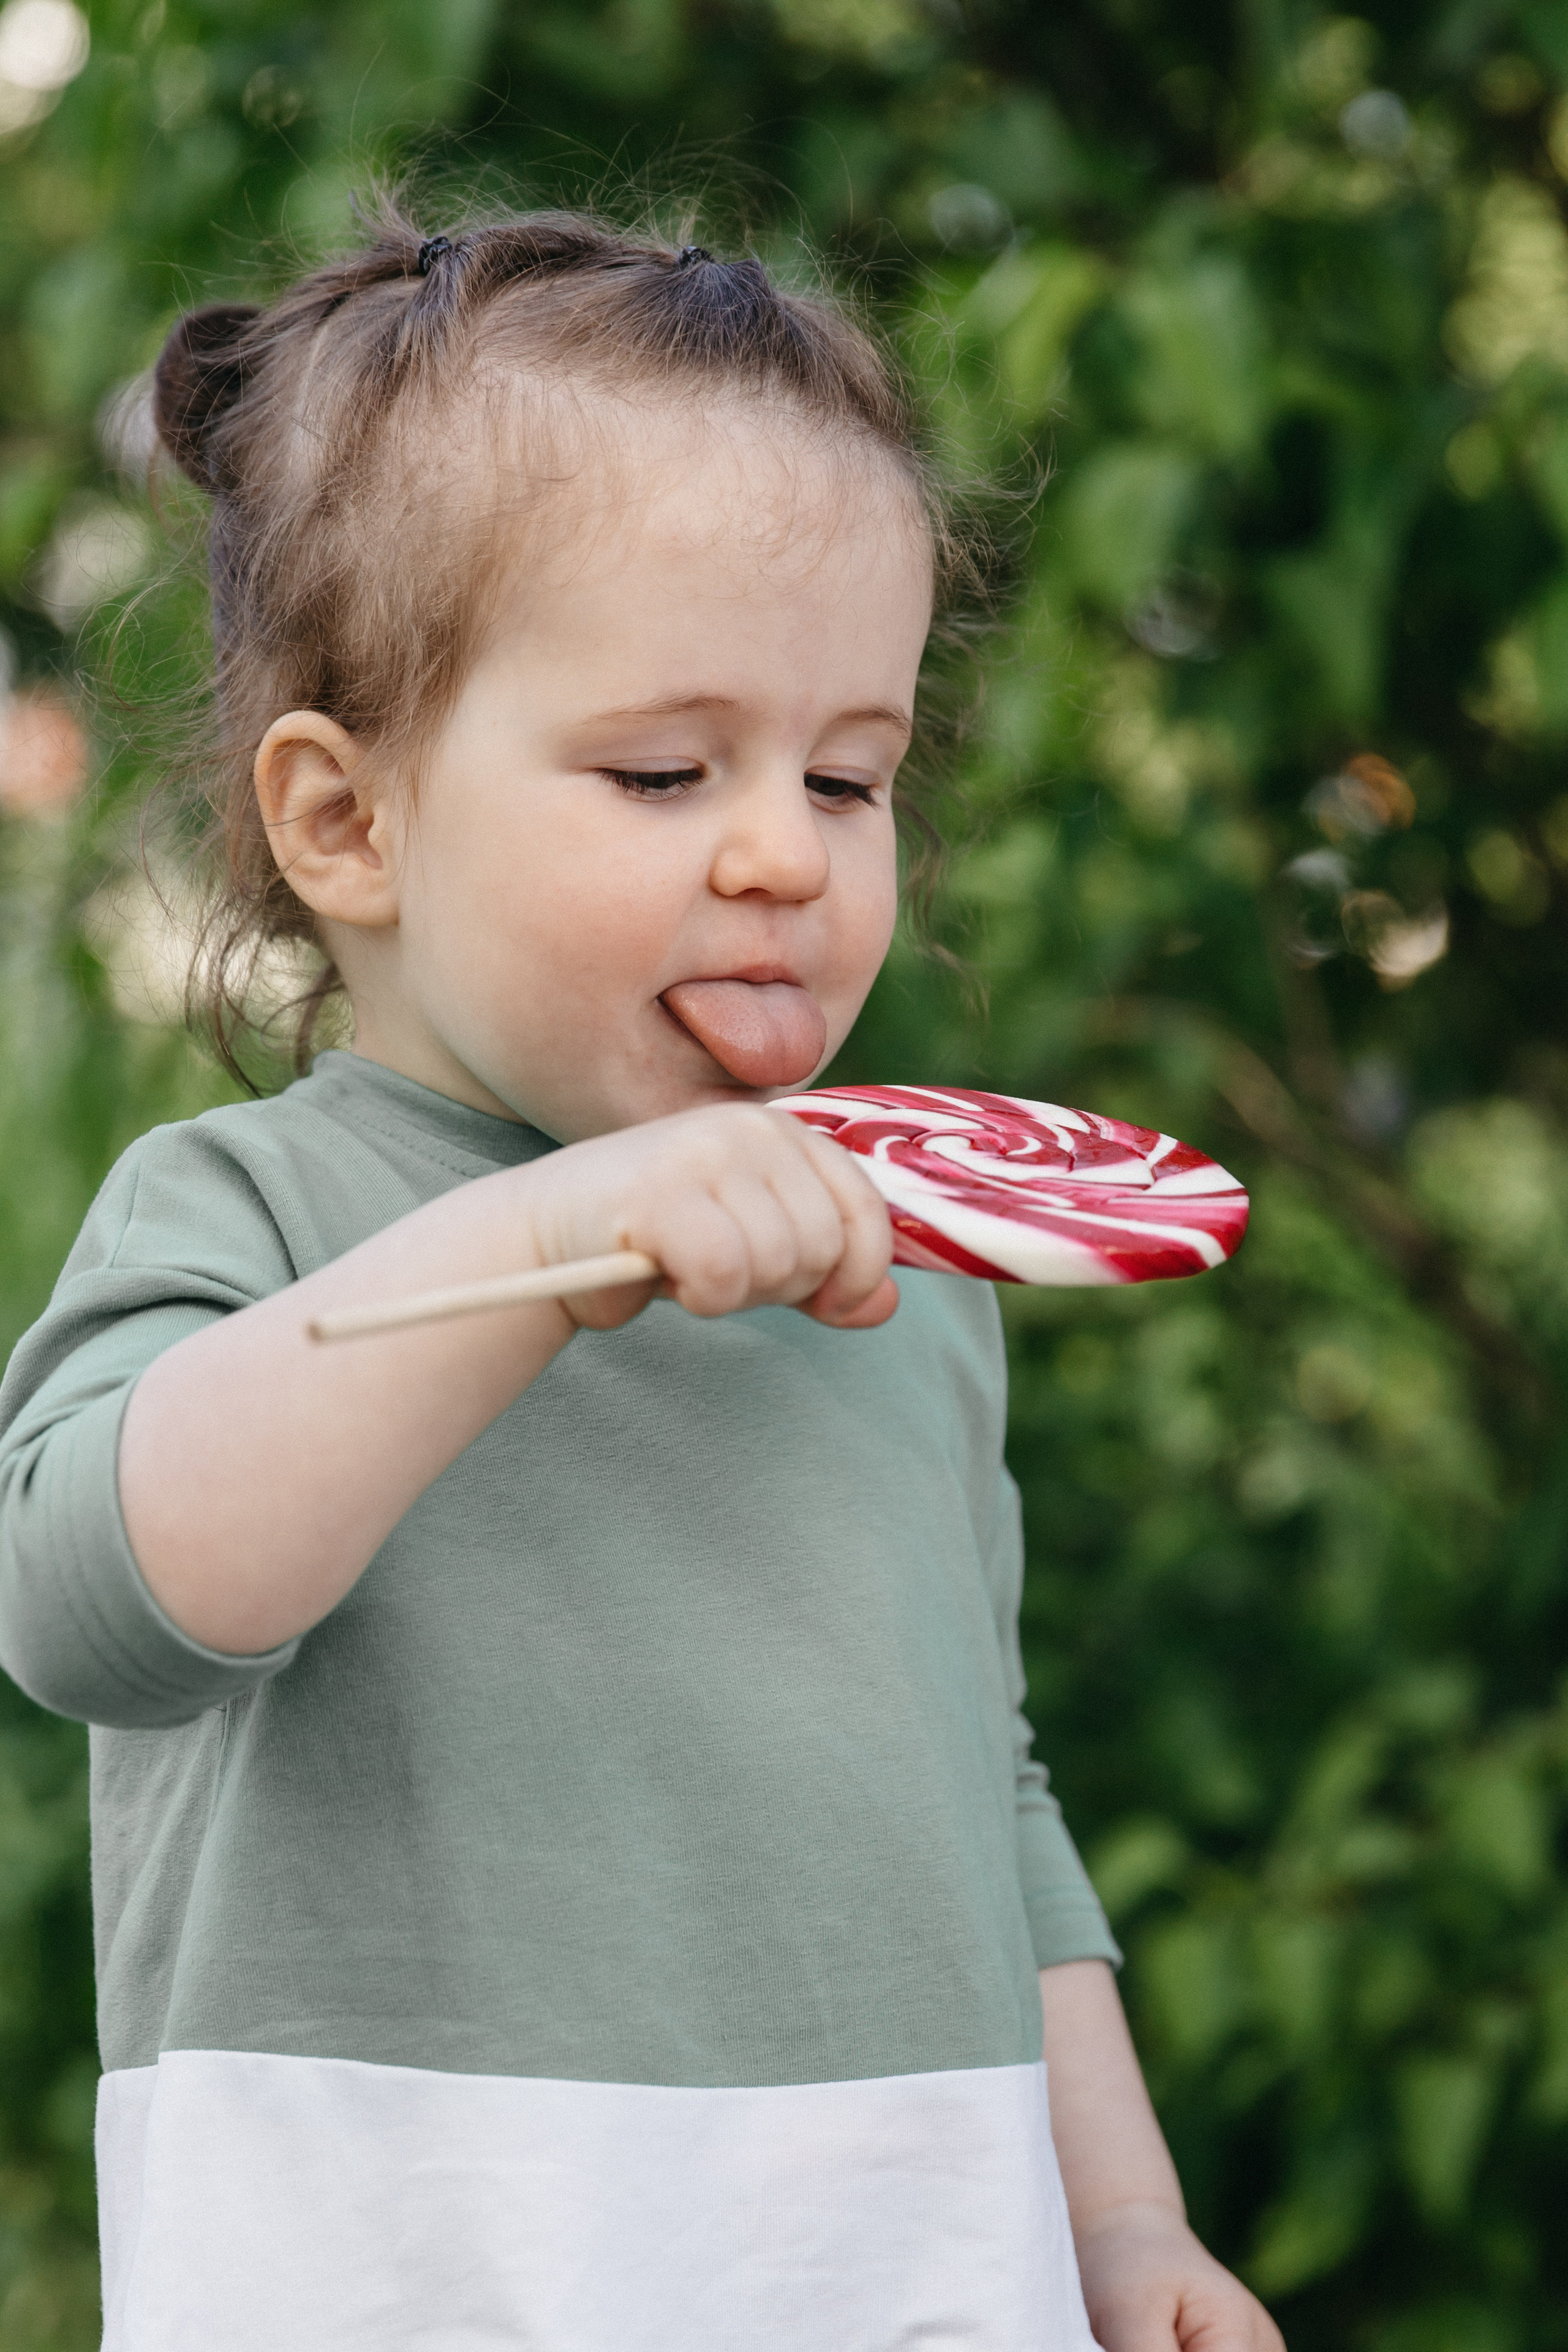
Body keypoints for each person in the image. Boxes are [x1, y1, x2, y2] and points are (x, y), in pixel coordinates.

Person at [0, 204, 1281, 2352]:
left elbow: (996, 1785)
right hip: (423, 2265)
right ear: (348, 826)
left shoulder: (898, 1268)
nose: (783, 850)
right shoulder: (255, 1209)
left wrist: (1122, 2223)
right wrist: (538, 1245)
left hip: (902, 2266)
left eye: (849, 775)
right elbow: (91, 1605)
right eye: (666, 772)